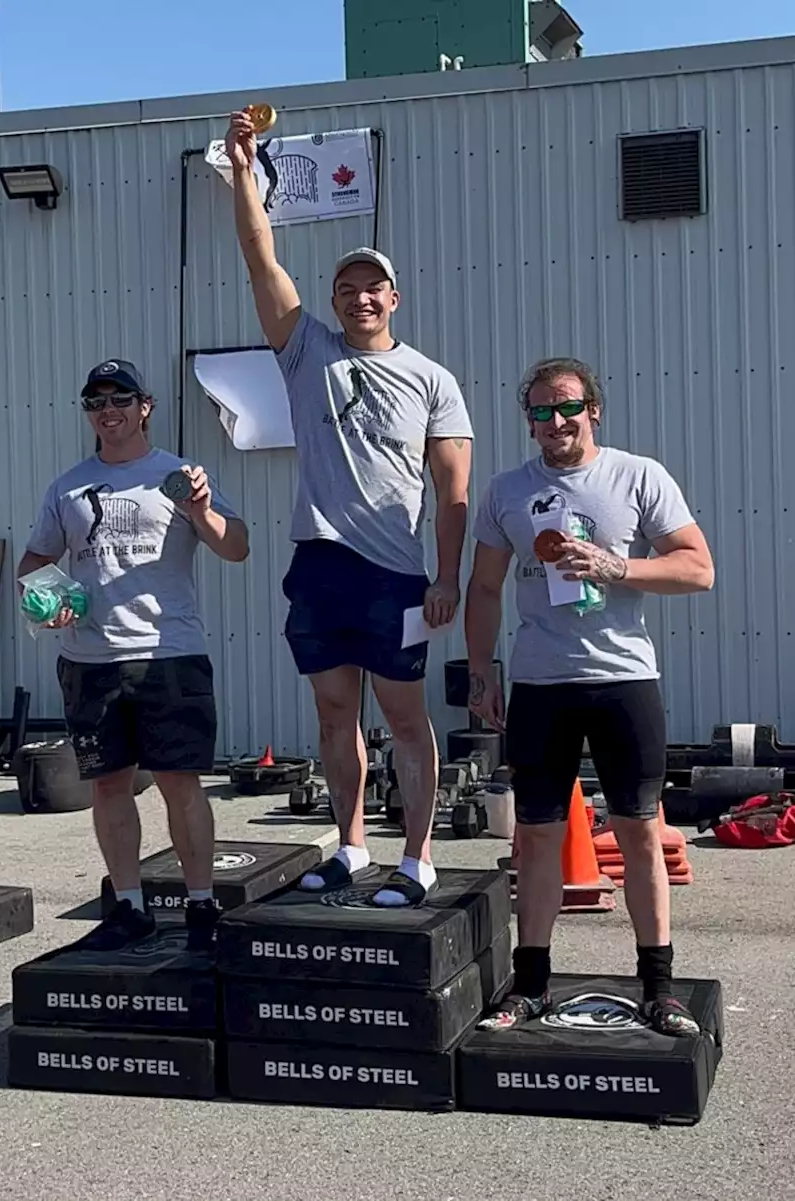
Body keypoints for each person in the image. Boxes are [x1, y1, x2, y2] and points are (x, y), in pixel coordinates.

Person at [223, 106, 474, 907]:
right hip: (320, 563)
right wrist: (242, 167)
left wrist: (446, 577)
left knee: (405, 718)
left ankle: (419, 855)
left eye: (373, 288)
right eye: (346, 289)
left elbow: (453, 491)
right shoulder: (305, 350)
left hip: (396, 574)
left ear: (394, 298)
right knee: (335, 715)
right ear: (332, 300)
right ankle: (353, 846)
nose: (359, 299)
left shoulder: (433, 379)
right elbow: (259, 256)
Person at [463, 356, 714, 1035]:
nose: (556, 421)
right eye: (541, 411)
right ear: (529, 421)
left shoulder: (637, 475)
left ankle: (658, 985)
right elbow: (484, 587)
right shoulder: (508, 490)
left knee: (639, 830)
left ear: (594, 410)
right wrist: (481, 671)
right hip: (541, 682)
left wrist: (615, 565)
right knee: (537, 838)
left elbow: (698, 567)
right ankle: (531, 983)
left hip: (624, 679)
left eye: (567, 406)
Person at [18, 357, 250, 953]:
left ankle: (202, 907)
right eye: (96, 402)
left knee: (180, 784)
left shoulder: (179, 475)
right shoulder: (67, 486)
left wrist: (200, 511)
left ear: (145, 406)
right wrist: (50, 601)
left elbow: (237, 546)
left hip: (167, 654)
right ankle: (128, 907)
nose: (109, 411)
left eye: (120, 399)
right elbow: (33, 565)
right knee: (109, 787)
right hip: (89, 662)